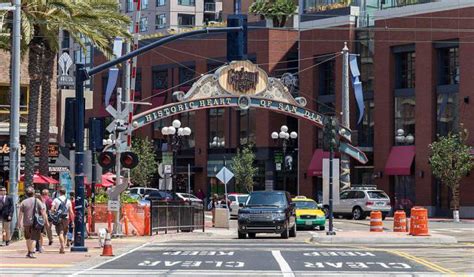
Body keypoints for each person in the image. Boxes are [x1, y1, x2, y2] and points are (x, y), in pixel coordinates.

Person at [18, 187, 48, 258]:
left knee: (28, 238)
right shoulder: (37, 201)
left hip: (26, 223)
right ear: (33, 193)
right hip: (35, 223)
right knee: (34, 238)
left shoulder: (23, 202)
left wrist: (19, 223)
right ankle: (31, 252)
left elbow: (20, 214)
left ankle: (29, 252)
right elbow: (43, 212)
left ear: (26, 194)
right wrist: (45, 221)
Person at [50, 188, 73, 254]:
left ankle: (62, 247)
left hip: (58, 218)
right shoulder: (68, 201)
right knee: (65, 233)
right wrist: (73, 221)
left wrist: (55, 212)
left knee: (60, 233)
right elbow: (71, 211)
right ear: (65, 193)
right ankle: (63, 247)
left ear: (59, 193)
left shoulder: (56, 200)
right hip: (66, 218)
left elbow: (52, 209)